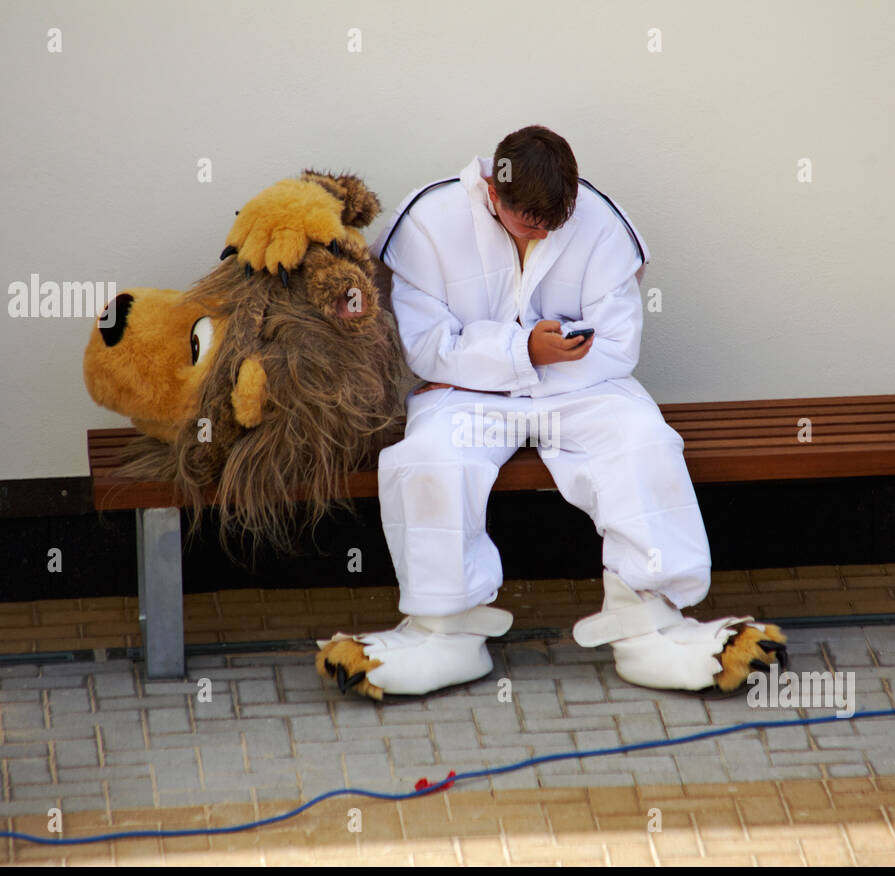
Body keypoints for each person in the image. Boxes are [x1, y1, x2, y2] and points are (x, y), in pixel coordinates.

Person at [316, 126, 787, 699]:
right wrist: (519, 350)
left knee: (642, 439)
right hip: (469, 395)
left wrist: (529, 359)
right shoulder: (427, 221)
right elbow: (423, 344)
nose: (541, 233)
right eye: (528, 223)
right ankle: (444, 629)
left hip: (579, 388)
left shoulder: (599, 219)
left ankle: (652, 621)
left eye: (554, 222)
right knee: (426, 459)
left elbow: (617, 346)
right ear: (494, 190)